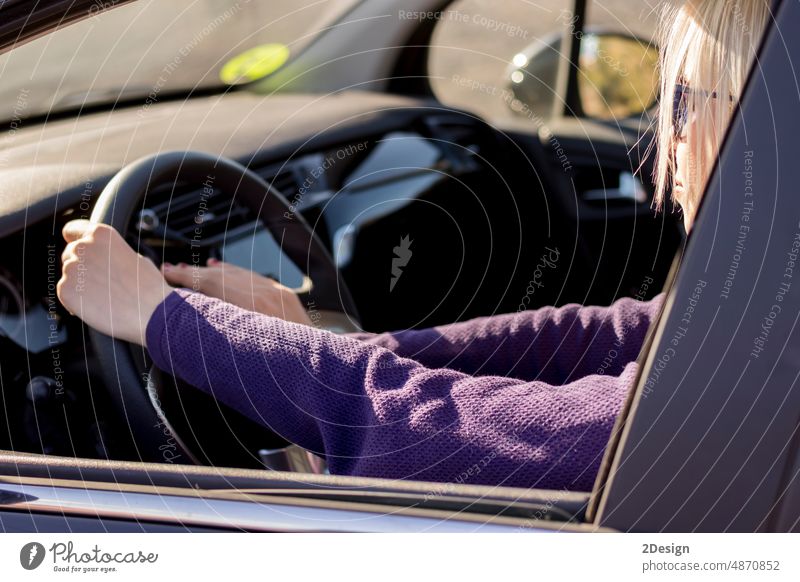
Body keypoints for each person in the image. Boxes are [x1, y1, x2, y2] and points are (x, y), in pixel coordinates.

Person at [56, 0, 770, 491]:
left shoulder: (757, 379)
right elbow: (606, 337)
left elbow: (436, 433)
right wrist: (317, 336)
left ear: (769, 130)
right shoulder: (764, 316)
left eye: (680, 100)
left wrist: (160, 316)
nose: (663, 135)